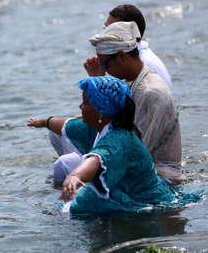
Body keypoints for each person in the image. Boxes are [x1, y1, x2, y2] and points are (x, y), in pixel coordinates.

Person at [34, 21, 182, 184]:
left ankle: (69, 199)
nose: (106, 69)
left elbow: (135, 150)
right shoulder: (131, 80)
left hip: (158, 175)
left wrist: (91, 165)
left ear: (121, 56)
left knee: (64, 165)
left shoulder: (150, 93)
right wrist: (99, 80)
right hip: (126, 153)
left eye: (105, 64)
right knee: (57, 134)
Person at [55, 76, 174, 214]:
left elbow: (97, 159)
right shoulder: (102, 126)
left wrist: (75, 176)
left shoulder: (119, 139)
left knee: (73, 208)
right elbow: (69, 126)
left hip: (147, 202)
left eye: (85, 103)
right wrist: (42, 122)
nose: (80, 106)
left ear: (101, 111)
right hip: (126, 192)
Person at [94, 4, 172, 90]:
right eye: (105, 28)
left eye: (112, 30)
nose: (106, 34)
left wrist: (99, 79)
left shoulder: (142, 64)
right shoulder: (134, 58)